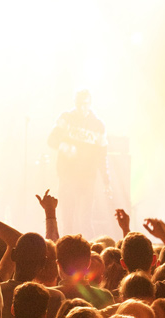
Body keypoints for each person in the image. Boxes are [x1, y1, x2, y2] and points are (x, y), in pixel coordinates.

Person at [48, 89, 110, 236]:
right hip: (67, 175)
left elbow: (102, 156)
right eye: (79, 104)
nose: (82, 108)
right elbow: (51, 139)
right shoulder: (66, 119)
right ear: (75, 103)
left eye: (85, 104)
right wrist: (64, 146)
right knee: (67, 218)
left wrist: (107, 181)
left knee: (85, 220)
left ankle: (88, 253)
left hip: (87, 177)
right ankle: (64, 249)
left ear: (90, 104)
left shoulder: (98, 125)